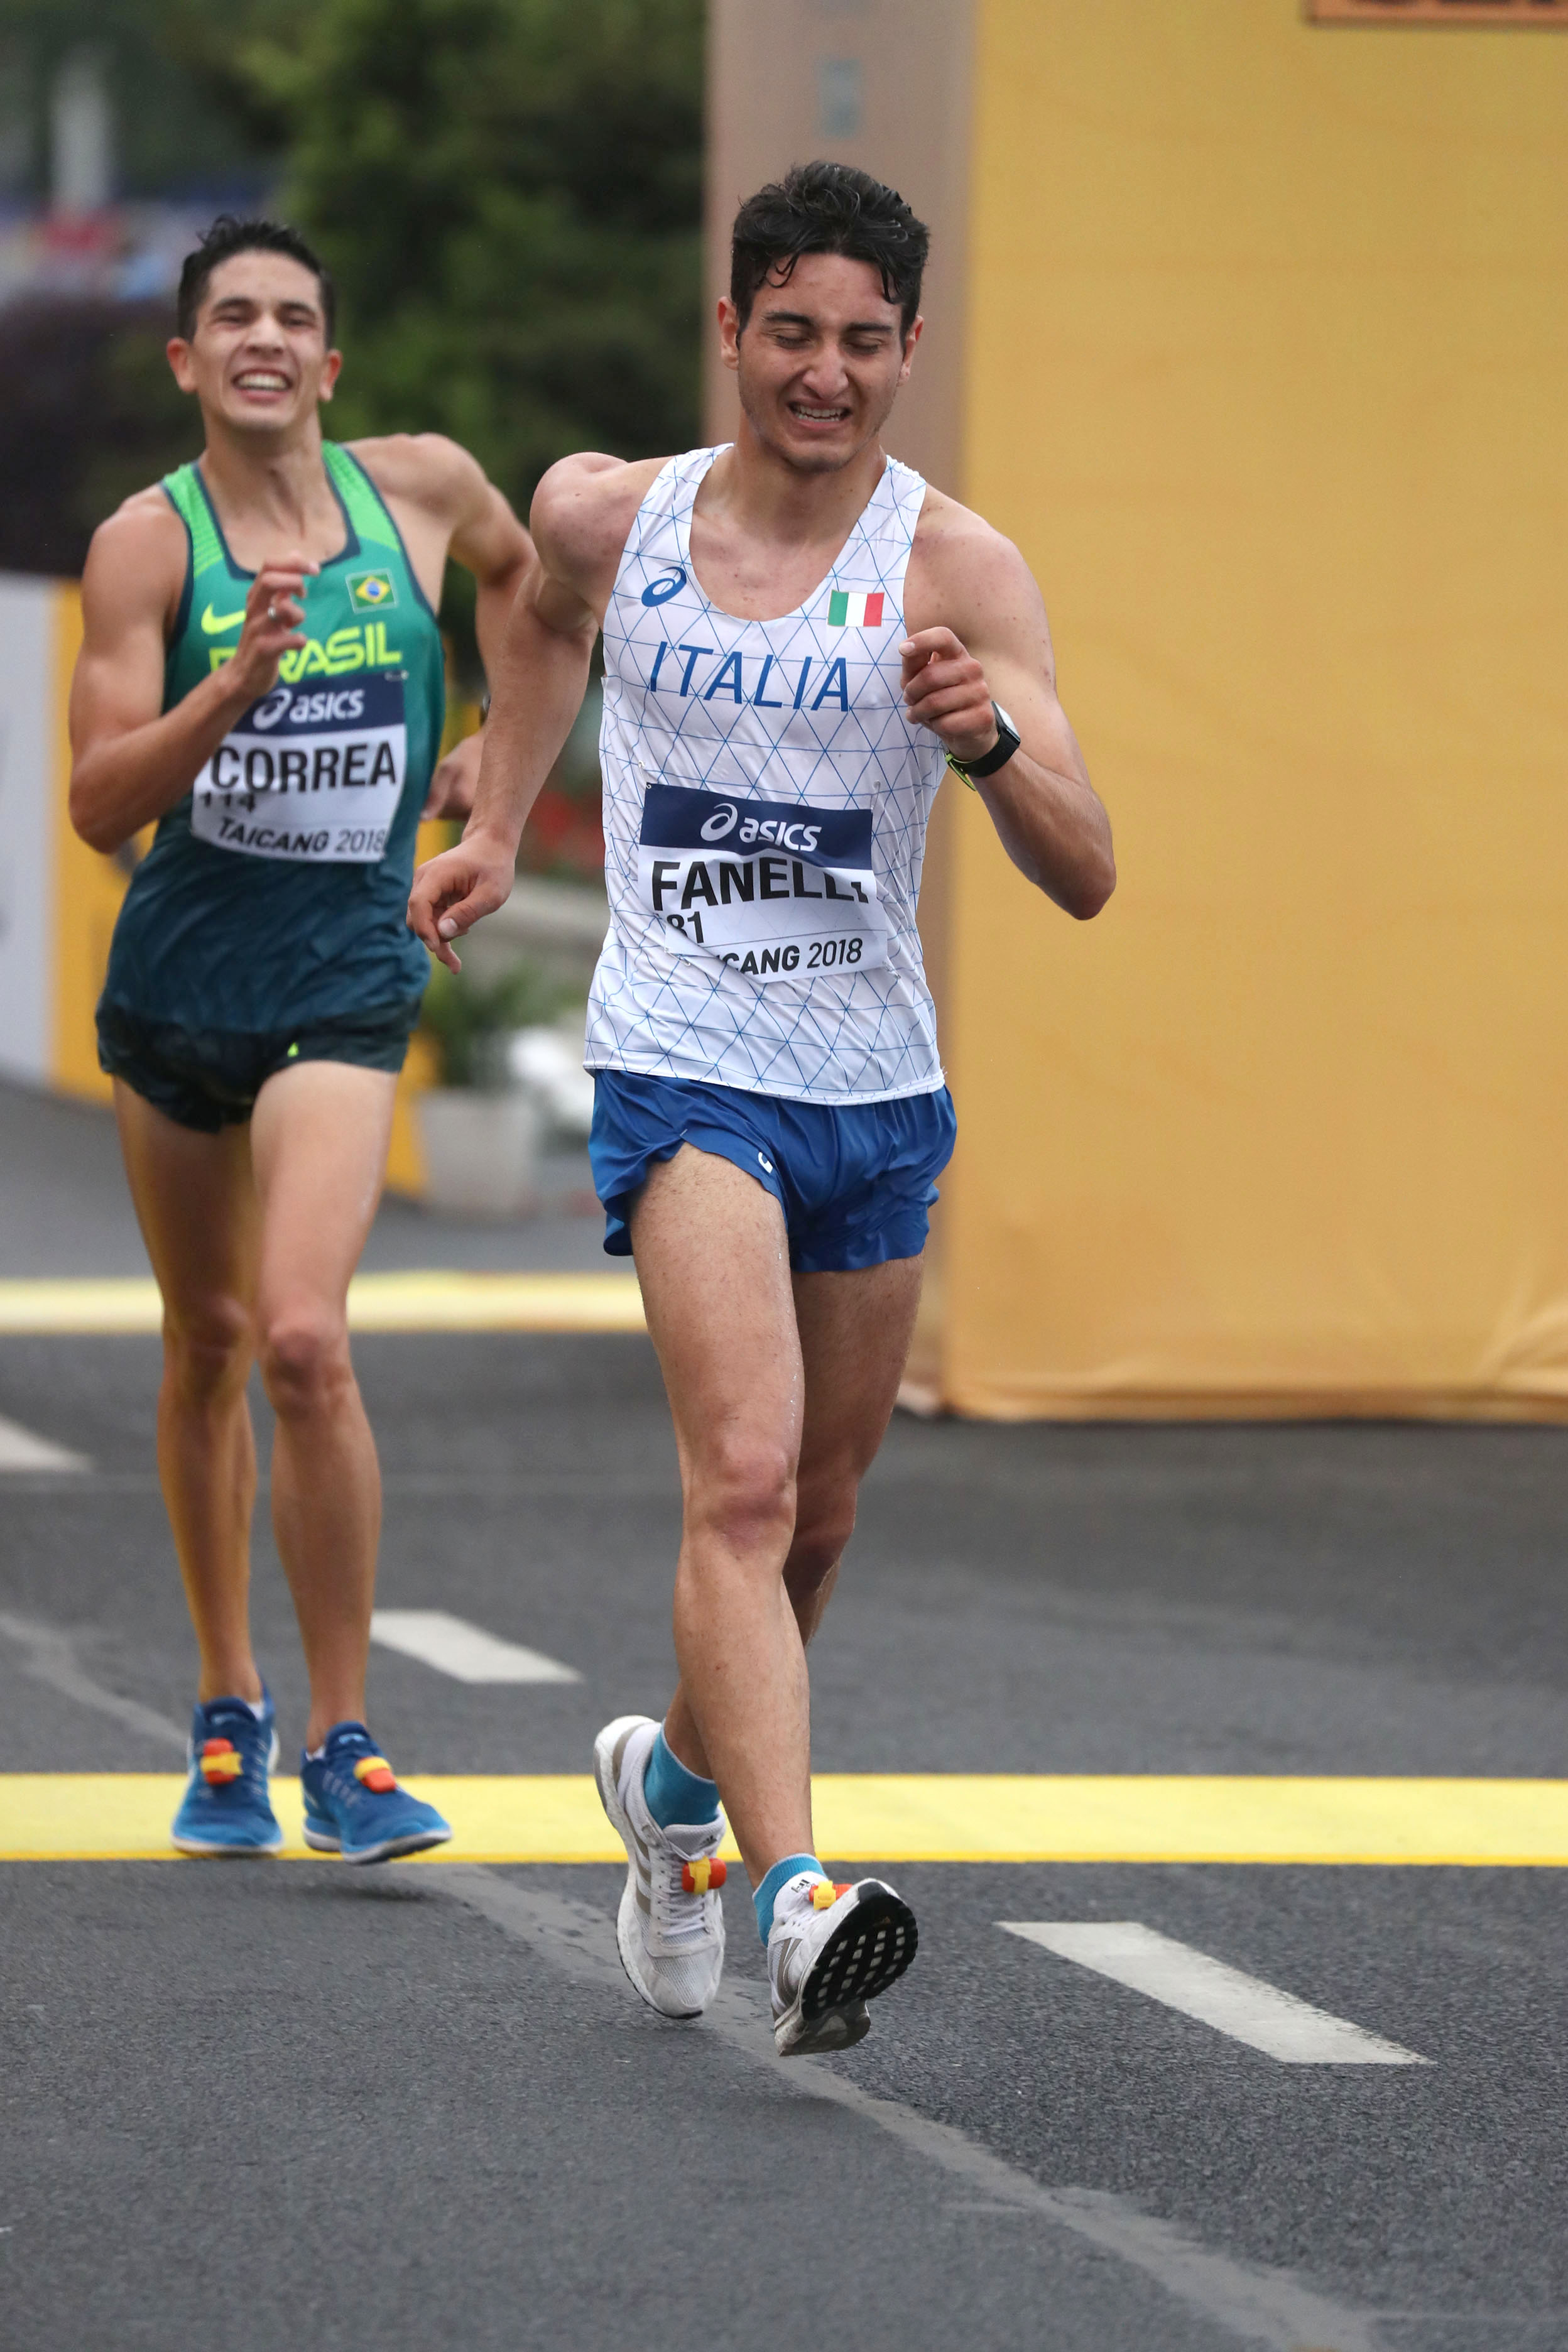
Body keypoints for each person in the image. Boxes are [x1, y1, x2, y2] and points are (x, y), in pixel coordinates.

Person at [408, 162, 1115, 2049]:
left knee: (816, 1519)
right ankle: (797, 1899)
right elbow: (543, 618)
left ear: (908, 350)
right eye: (790, 332)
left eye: (862, 342)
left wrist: (984, 742)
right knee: (739, 1476)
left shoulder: (959, 568)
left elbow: (1088, 867)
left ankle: (673, 1798)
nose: (825, 373)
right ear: (731, 329)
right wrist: (499, 821)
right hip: (682, 1057)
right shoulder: (607, 511)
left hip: (875, 1086)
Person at [69, 215, 533, 1863]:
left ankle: (346, 1744)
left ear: (329, 363)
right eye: (232, 318)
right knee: (203, 1340)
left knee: (302, 1340)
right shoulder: (148, 547)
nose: (262, 338)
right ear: (188, 360)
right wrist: (228, 691)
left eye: (291, 317)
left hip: (345, 971)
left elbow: (530, 583)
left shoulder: (423, 493)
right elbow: (97, 803)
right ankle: (227, 1707)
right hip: (183, 984)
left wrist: (499, 744)